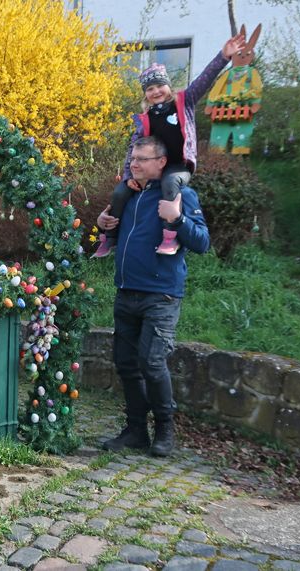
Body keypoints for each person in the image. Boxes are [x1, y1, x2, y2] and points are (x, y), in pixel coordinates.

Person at [97, 136, 210, 457]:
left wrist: (178, 219)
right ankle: (136, 431)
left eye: (142, 159)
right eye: (133, 158)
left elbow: (202, 242)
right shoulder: (130, 196)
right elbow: (116, 235)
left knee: (152, 362)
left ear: (161, 163)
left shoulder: (182, 195)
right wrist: (103, 224)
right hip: (126, 291)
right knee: (126, 364)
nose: (134, 164)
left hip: (161, 296)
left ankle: (165, 431)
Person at [93, 32, 244, 258]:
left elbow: (205, 78)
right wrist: (129, 178)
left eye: (159, 86)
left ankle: (169, 236)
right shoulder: (145, 119)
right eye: (150, 89)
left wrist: (223, 56)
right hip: (155, 165)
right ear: (145, 94)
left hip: (178, 166)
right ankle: (109, 238)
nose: (156, 92)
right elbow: (133, 152)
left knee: (170, 182)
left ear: (168, 86)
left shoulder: (185, 101)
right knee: (119, 193)